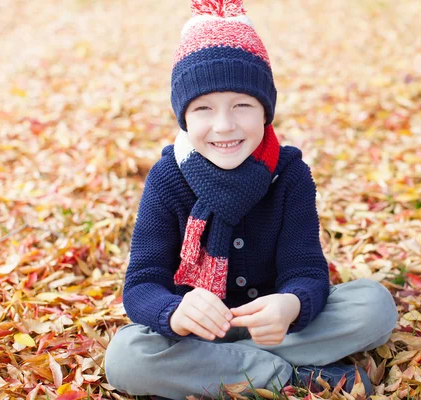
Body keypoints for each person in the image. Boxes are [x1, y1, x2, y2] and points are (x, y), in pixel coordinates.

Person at [104, 0, 397, 398]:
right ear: (184, 118)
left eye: (242, 105)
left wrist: (291, 305)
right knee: (126, 357)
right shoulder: (167, 178)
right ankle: (291, 376)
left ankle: (226, 369)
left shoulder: (289, 175)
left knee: (374, 304)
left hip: (275, 326)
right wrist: (174, 312)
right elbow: (142, 284)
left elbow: (307, 269)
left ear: (265, 111)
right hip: (197, 332)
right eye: (204, 108)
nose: (224, 125)